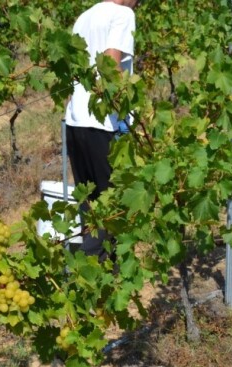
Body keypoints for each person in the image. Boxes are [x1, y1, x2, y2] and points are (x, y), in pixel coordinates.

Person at [64, 0, 140, 261]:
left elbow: (72, 73)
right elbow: (111, 65)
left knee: (91, 213)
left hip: (75, 122)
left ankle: (89, 277)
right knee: (113, 214)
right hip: (104, 124)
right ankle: (101, 276)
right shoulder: (123, 14)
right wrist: (130, 108)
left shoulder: (84, 17)